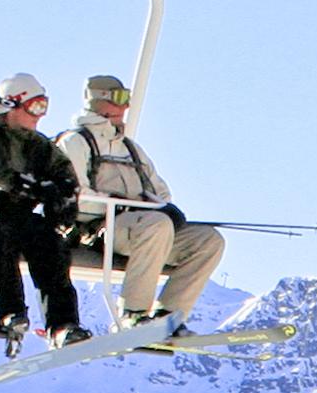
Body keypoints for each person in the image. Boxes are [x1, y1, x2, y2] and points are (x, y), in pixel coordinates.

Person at [56, 74, 223, 328]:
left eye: (127, 98)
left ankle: (168, 317)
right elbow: (76, 198)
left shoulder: (130, 149)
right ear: (98, 100)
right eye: (119, 98)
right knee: (156, 224)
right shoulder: (75, 142)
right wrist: (123, 206)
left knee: (208, 240)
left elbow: (160, 191)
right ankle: (133, 313)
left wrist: (161, 207)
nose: (125, 105)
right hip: (102, 229)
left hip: (146, 227)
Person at [0, 73, 87, 356]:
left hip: (17, 213)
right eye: (34, 107)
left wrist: (63, 196)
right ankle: (10, 312)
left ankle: (62, 324)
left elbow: (62, 171)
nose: (40, 115)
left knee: (49, 241)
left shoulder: (37, 143)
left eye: (44, 106)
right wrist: (16, 182)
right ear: (11, 105)